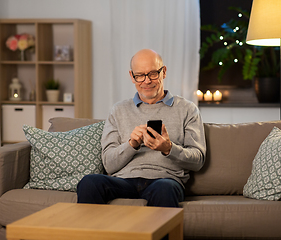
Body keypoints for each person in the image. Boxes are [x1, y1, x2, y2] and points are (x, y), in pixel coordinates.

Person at [77, 49, 206, 207]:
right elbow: (109, 164)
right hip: (123, 181)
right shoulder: (118, 110)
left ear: (163, 72)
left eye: (153, 73)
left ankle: (157, 233)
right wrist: (131, 144)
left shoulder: (187, 109)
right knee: (89, 182)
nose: (146, 81)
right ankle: (91, 233)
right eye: (140, 75)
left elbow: (198, 161)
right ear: (132, 76)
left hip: (165, 181)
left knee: (164, 188)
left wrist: (168, 148)